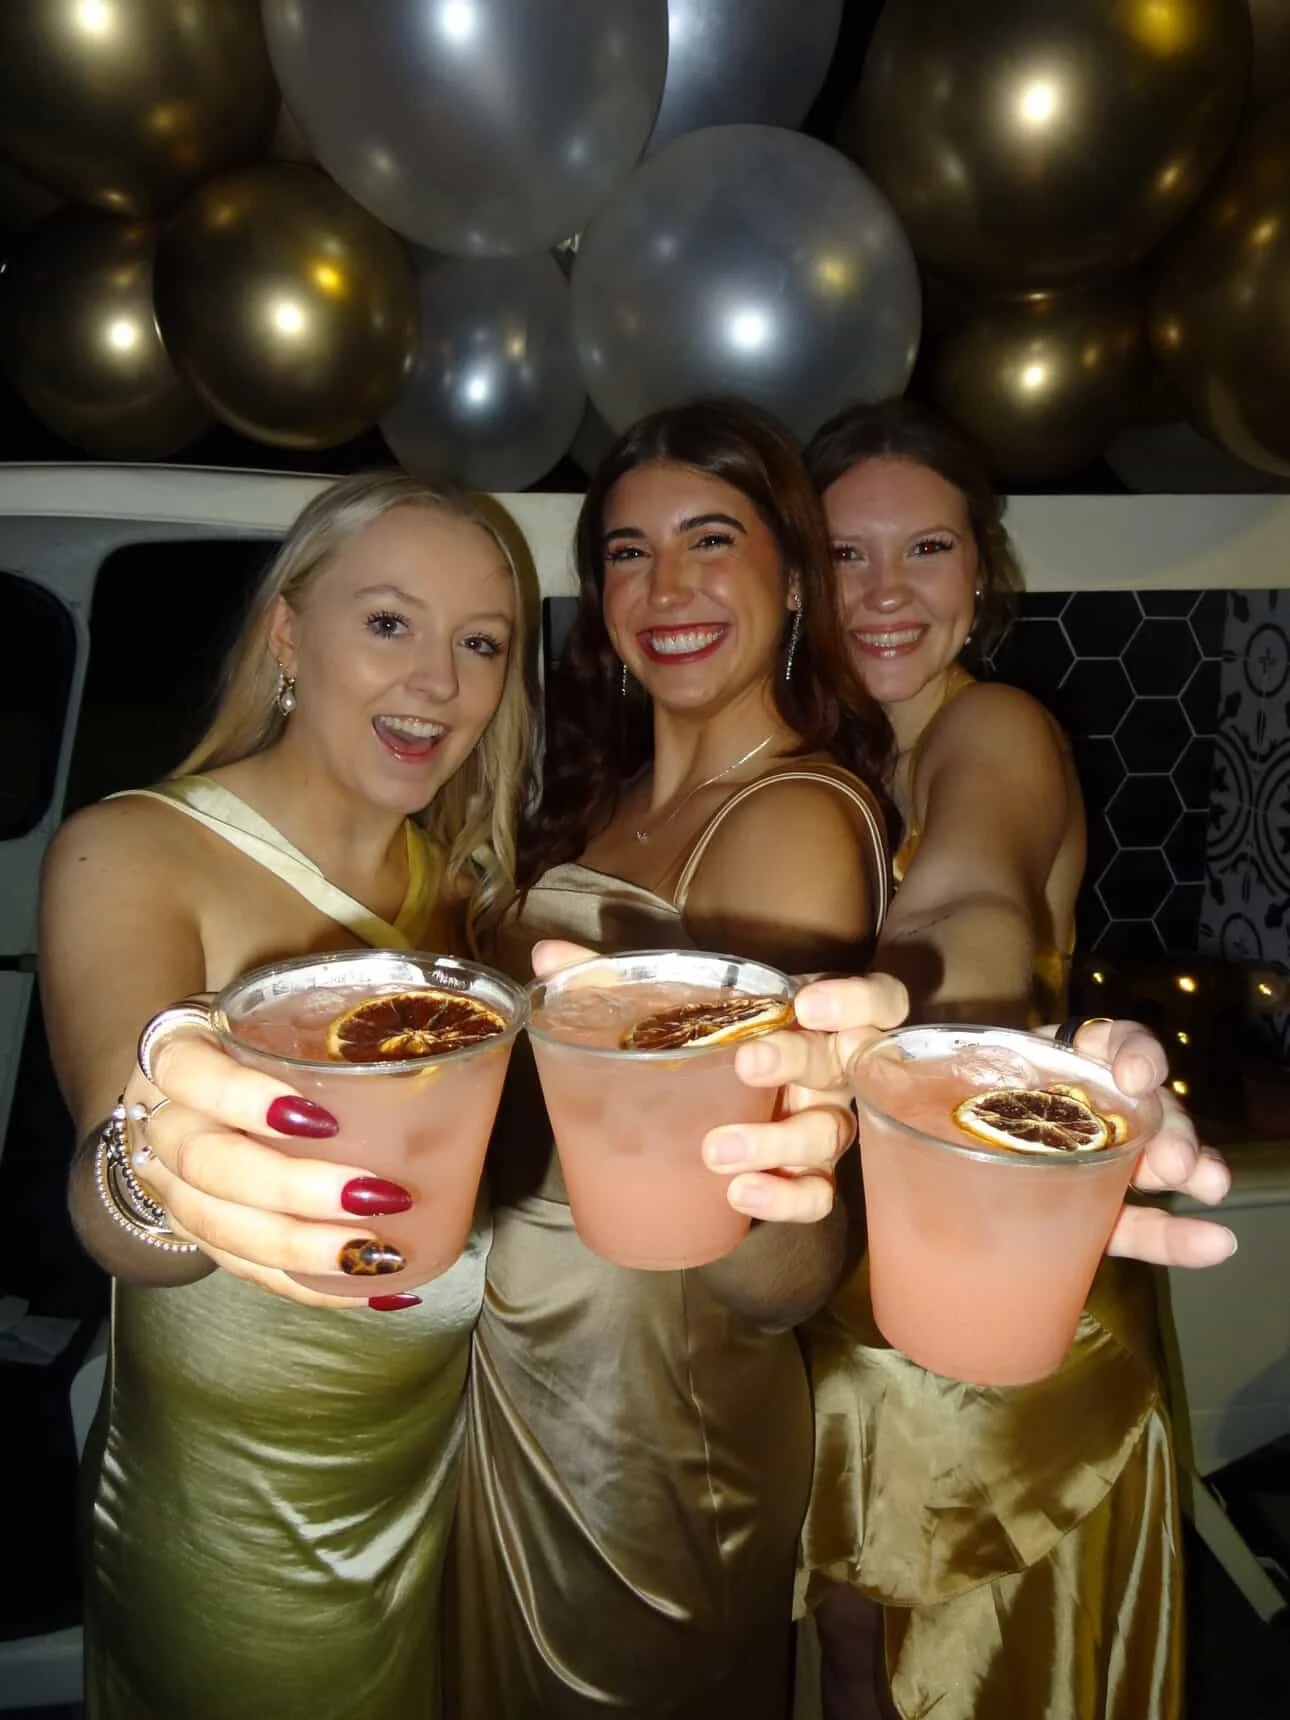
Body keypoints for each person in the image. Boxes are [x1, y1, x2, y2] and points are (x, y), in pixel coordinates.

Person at [39, 471, 537, 1720]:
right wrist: (153, 1179)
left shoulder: (473, 916)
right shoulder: (135, 849)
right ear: (286, 638)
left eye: (481, 643)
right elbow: (121, 1159)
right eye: (388, 623)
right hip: (238, 1527)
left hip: (441, 1493)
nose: (439, 680)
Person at [445, 399, 894, 1719]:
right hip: (519, 1372)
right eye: (628, 554)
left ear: (794, 579)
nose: (669, 586)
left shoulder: (796, 816)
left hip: (641, 1420)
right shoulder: (599, 799)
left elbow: (771, 1243)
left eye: (712, 539)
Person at [789, 398, 1236, 1720]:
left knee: (962, 1671)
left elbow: (966, 909)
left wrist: (923, 1016)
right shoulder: (810, 763)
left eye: (921, 550)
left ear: (977, 570)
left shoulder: (995, 734)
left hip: (998, 1266)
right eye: (841, 555)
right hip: (856, 1256)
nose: (880, 593)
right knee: (846, 1624)